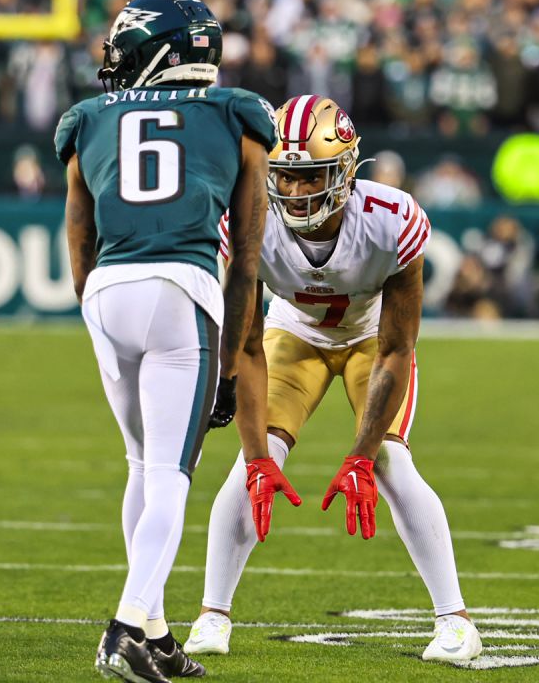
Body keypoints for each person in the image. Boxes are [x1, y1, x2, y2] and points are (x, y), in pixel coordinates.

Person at [187, 95, 483, 662]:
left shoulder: (390, 220)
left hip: (372, 339)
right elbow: (247, 347)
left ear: (345, 169)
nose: (296, 192)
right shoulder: (248, 219)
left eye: (311, 176)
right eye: (286, 176)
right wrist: (256, 458)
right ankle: (212, 615)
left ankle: (456, 621)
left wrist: (361, 456)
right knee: (254, 464)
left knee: (392, 462)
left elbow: (398, 349)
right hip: (292, 335)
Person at [56, 0, 281, 683]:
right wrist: (237, 357)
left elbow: (79, 236)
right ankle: (128, 625)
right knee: (172, 477)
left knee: (139, 464)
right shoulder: (238, 116)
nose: (115, 56)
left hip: (105, 293)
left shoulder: (86, 119)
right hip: (182, 290)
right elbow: (246, 257)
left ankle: (153, 629)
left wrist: (96, 308)